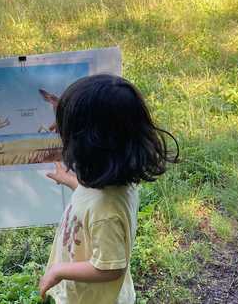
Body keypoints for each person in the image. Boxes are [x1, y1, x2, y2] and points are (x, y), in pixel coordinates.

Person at [39, 74, 179, 304]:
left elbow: (109, 268)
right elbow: (90, 200)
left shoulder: (107, 211)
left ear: (90, 143)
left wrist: (59, 271)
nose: (59, 134)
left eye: (66, 130)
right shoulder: (111, 183)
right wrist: (70, 181)